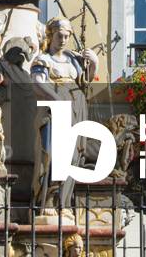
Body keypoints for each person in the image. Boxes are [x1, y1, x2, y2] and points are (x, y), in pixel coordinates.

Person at [31, 17, 99, 217]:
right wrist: (56, 98)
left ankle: (64, 202)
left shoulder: (73, 59)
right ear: (51, 35)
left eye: (67, 36)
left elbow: (86, 81)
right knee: (52, 153)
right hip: (54, 109)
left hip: (76, 107)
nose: (63, 39)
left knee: (73, 155)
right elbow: (37, 83)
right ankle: (48, 200)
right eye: (59, 35)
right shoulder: (43, 60)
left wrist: (93, 62)